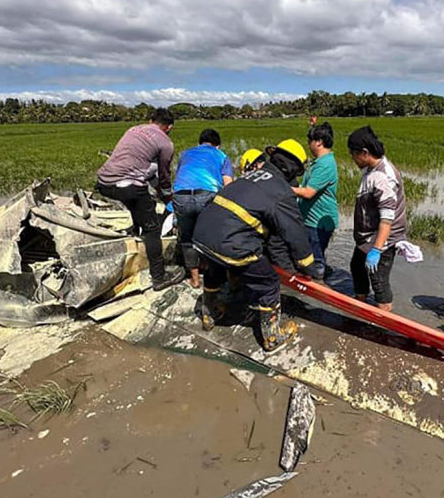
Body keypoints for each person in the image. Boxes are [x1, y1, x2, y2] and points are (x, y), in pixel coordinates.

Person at [192, 139, 321, 352]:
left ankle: (209, 315)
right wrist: (307, 267)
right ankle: (271, 338)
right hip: (230, 243)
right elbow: (294, 233)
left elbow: (272, 238)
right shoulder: (281, 190)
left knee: (216, 268)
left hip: (202, 235)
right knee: (269, 281)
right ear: (291, 169)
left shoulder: (251, 176)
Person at [96, 108, 185, 291]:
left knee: (141, 205)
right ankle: (159, 277)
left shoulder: (133, 129)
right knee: (152, 228)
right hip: (129, 187)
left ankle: (135, 235)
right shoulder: (166, 143)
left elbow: (145, 169)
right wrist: (168, 197)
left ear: (151, 120)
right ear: (169, 127)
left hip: (104, 183)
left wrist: (158, 191)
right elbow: (164, 176)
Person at [347, 126, 407, 313]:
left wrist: (376, 250)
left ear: (364, 153)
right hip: (367, 238)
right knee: (357, 267)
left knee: (379, 281)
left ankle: (384, 316)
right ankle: (360, 304)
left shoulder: (383, 177)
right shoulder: (372, 169)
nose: (352, 158)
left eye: (353, 154)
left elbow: (387, 219)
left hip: (381, 239)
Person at [172, 128, 234, 288]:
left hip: (181, 196)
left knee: (187, 238)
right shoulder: (221, 156)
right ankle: (214, 276)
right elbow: (228, 185)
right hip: (206, 195)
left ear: (199, 143)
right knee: (211, 236)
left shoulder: (185, 153)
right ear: (218, 145)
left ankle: (194, 280)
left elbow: (181, 176)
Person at [292, 122, 338, 280]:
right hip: (312, 220)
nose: (308, 145)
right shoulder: (318, 162)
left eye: (309, 141)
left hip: (318, 222)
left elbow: (308, 192)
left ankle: (318, 288)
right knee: (312, 255)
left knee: (316, 262)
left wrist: (284, 188)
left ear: (318, 142)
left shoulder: (325, 164)